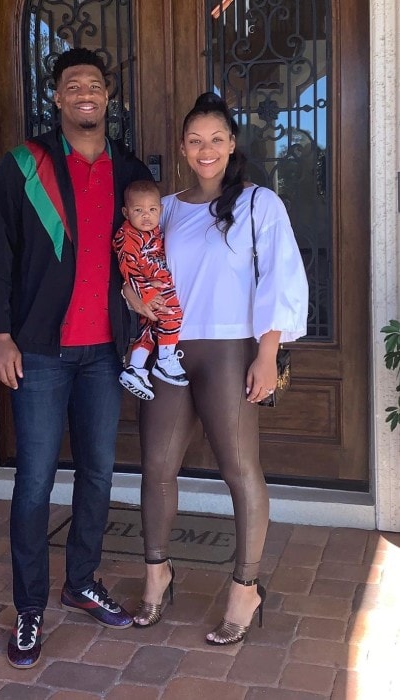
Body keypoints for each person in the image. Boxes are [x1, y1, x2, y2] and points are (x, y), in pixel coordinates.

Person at [0, 47, 153, 669]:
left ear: (108, 98)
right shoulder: (27, 165)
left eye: (95, 84)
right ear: (55, 98)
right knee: (34, 483)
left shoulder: (130, 171)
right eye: (72, 84)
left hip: (104, 353)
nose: (84, 92)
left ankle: (80, 581)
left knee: (100, 475)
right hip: (42, 354)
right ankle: (29, 608)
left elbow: (145, 251)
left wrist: (143, 306)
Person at [126, 93, 308, 644]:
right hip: (169, 350)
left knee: (238, 469)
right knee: (156, 466)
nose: (207, 150)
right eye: (196, 140)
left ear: (232, 146)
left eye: (217, 139)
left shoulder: (258, 204)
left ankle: (245, 587)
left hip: (231, 350)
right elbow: (137, 265)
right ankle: (157, 575)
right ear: (183, 148)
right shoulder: (166, 207)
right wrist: (135, 300)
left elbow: (281, 278)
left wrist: (268, 354)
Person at [114, 179, 188, 400]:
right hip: (150, 290)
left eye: (152, 210)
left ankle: (135, 369)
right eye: (139, 210)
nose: (146, 215)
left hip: (155, 285)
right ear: (126, 212)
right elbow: (128, 267)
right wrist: (146, 293)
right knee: (172, 313)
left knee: (148, 330)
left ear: (161, 210)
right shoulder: (128, 236)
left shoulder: (154, 230)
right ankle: (165, 361)